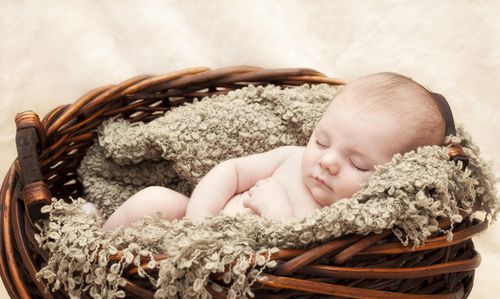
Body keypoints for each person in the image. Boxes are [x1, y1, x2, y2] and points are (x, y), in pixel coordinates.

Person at [102, 72, 445, 232]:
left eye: (358, 163)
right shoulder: (292, 158)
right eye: (322, 141)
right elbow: (230, 171)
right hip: (195, 226)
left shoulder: (356, 216)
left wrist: (279, 212)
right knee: (153, 200)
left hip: (244, 278)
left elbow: (307, 254)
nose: (327, 160)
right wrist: (197, 221)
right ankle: (98, 245)